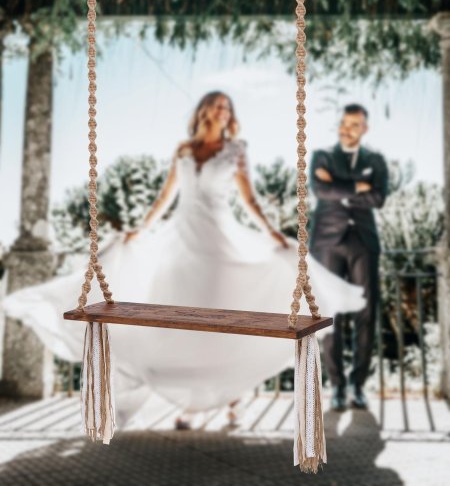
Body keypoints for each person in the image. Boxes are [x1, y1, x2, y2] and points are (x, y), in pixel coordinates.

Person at [2, 91, 366, 429]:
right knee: (182, 331)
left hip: (219, 245)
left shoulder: (236, 150)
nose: (224, 111)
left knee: (221, 327)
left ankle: (234, 399)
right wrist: (140, 230)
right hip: (181, 243)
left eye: (228, 108)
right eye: (218, 105)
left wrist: (273, 233)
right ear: (205, 110)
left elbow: (249, 199)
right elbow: (165, 197)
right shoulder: (184, 150)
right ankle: (191, 404)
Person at [309, 103, 389, 412]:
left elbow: (378, 198)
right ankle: (338, 386)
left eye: (354, 125)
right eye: (344, 123)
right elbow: (321, 190)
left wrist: (338, 187)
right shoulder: (322, 156)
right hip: (327, 244)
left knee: (366, 315)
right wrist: (358, 186)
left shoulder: (375, 160)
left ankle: (357, 385)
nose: (347, 129)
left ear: (364, 129)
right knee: (331, 316)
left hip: (363, 244)